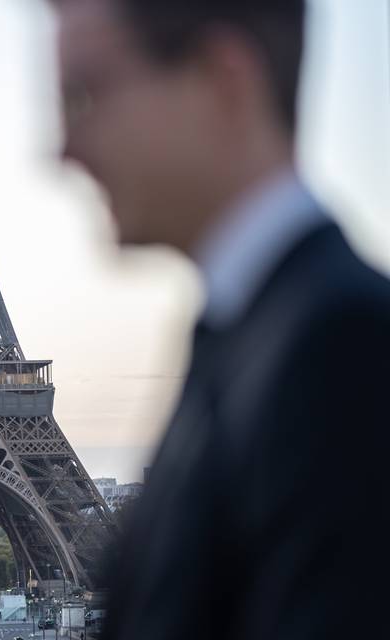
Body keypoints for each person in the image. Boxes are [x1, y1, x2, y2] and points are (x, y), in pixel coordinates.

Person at [51, 0, 387, 638]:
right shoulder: (256, 339)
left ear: (222, 79)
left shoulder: (343, 349)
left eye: (87, 95)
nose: (64, 148)